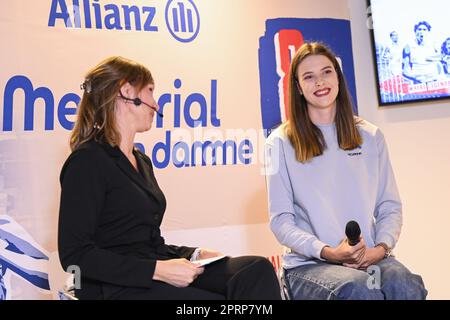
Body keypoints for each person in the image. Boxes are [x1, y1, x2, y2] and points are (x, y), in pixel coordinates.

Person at [58, 56, 282, 300]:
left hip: (152, 269)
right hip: (112, 288)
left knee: (255, 271)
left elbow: (148, 243)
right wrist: (157, 271)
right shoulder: (87, 161)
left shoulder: (141, 161)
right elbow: (75, 255)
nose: (156, 104)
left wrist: (193, 254)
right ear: (127, 91)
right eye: (151, 92)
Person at [265, 42, 427, 300]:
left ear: (338, 78)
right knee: (357, 289)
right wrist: (328, 252)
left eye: (327, 72)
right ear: (297, 87)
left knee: (405, 284)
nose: (320, 82)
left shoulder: (370, 136)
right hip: (310, 265)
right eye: (309, 76)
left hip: (370, 259)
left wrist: (381, 248)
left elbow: (389, 206)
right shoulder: (279, 143)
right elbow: (281, 221)